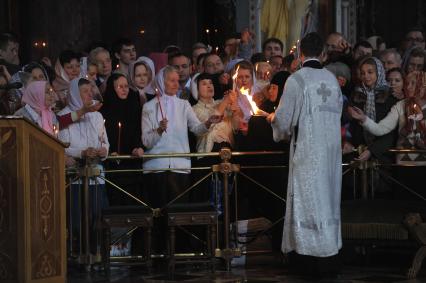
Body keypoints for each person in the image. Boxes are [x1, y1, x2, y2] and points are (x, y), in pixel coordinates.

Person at [268, 32, 343, 269]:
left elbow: (284, 120)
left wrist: (274, 122)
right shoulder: (332, 79)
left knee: (307, 200)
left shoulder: (296, 80)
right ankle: (329, 253)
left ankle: (306, 259)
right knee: (327, 199)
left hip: (308, 152)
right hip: (331, 154)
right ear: (323, 53)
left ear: (300, 54)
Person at [141, 66, 221, 253]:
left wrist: (208, 123)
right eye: (172, 80)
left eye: (178, 80)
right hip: (157, 166)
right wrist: (159, 130)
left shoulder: (183, 105)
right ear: (162, 82)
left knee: (179, 215)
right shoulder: (149, 106)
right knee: (159, 214)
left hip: (180, 166)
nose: (176, 84)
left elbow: (196, 129)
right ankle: (159, 254)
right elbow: (146, 141)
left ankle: (179, 253)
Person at [58, 77, 109, 254]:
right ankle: (76, 256)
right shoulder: (64, 115)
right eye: (85, 91)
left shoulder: (97, 115)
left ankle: (96, 254)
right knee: (77, 221)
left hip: (96, 175)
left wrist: (104, 150)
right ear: (74, 93)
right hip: (75, 177)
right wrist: (82, 152)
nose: (90, 94)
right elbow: (62, 146)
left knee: (97, 219)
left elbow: (104, 141)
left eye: (90, 90)